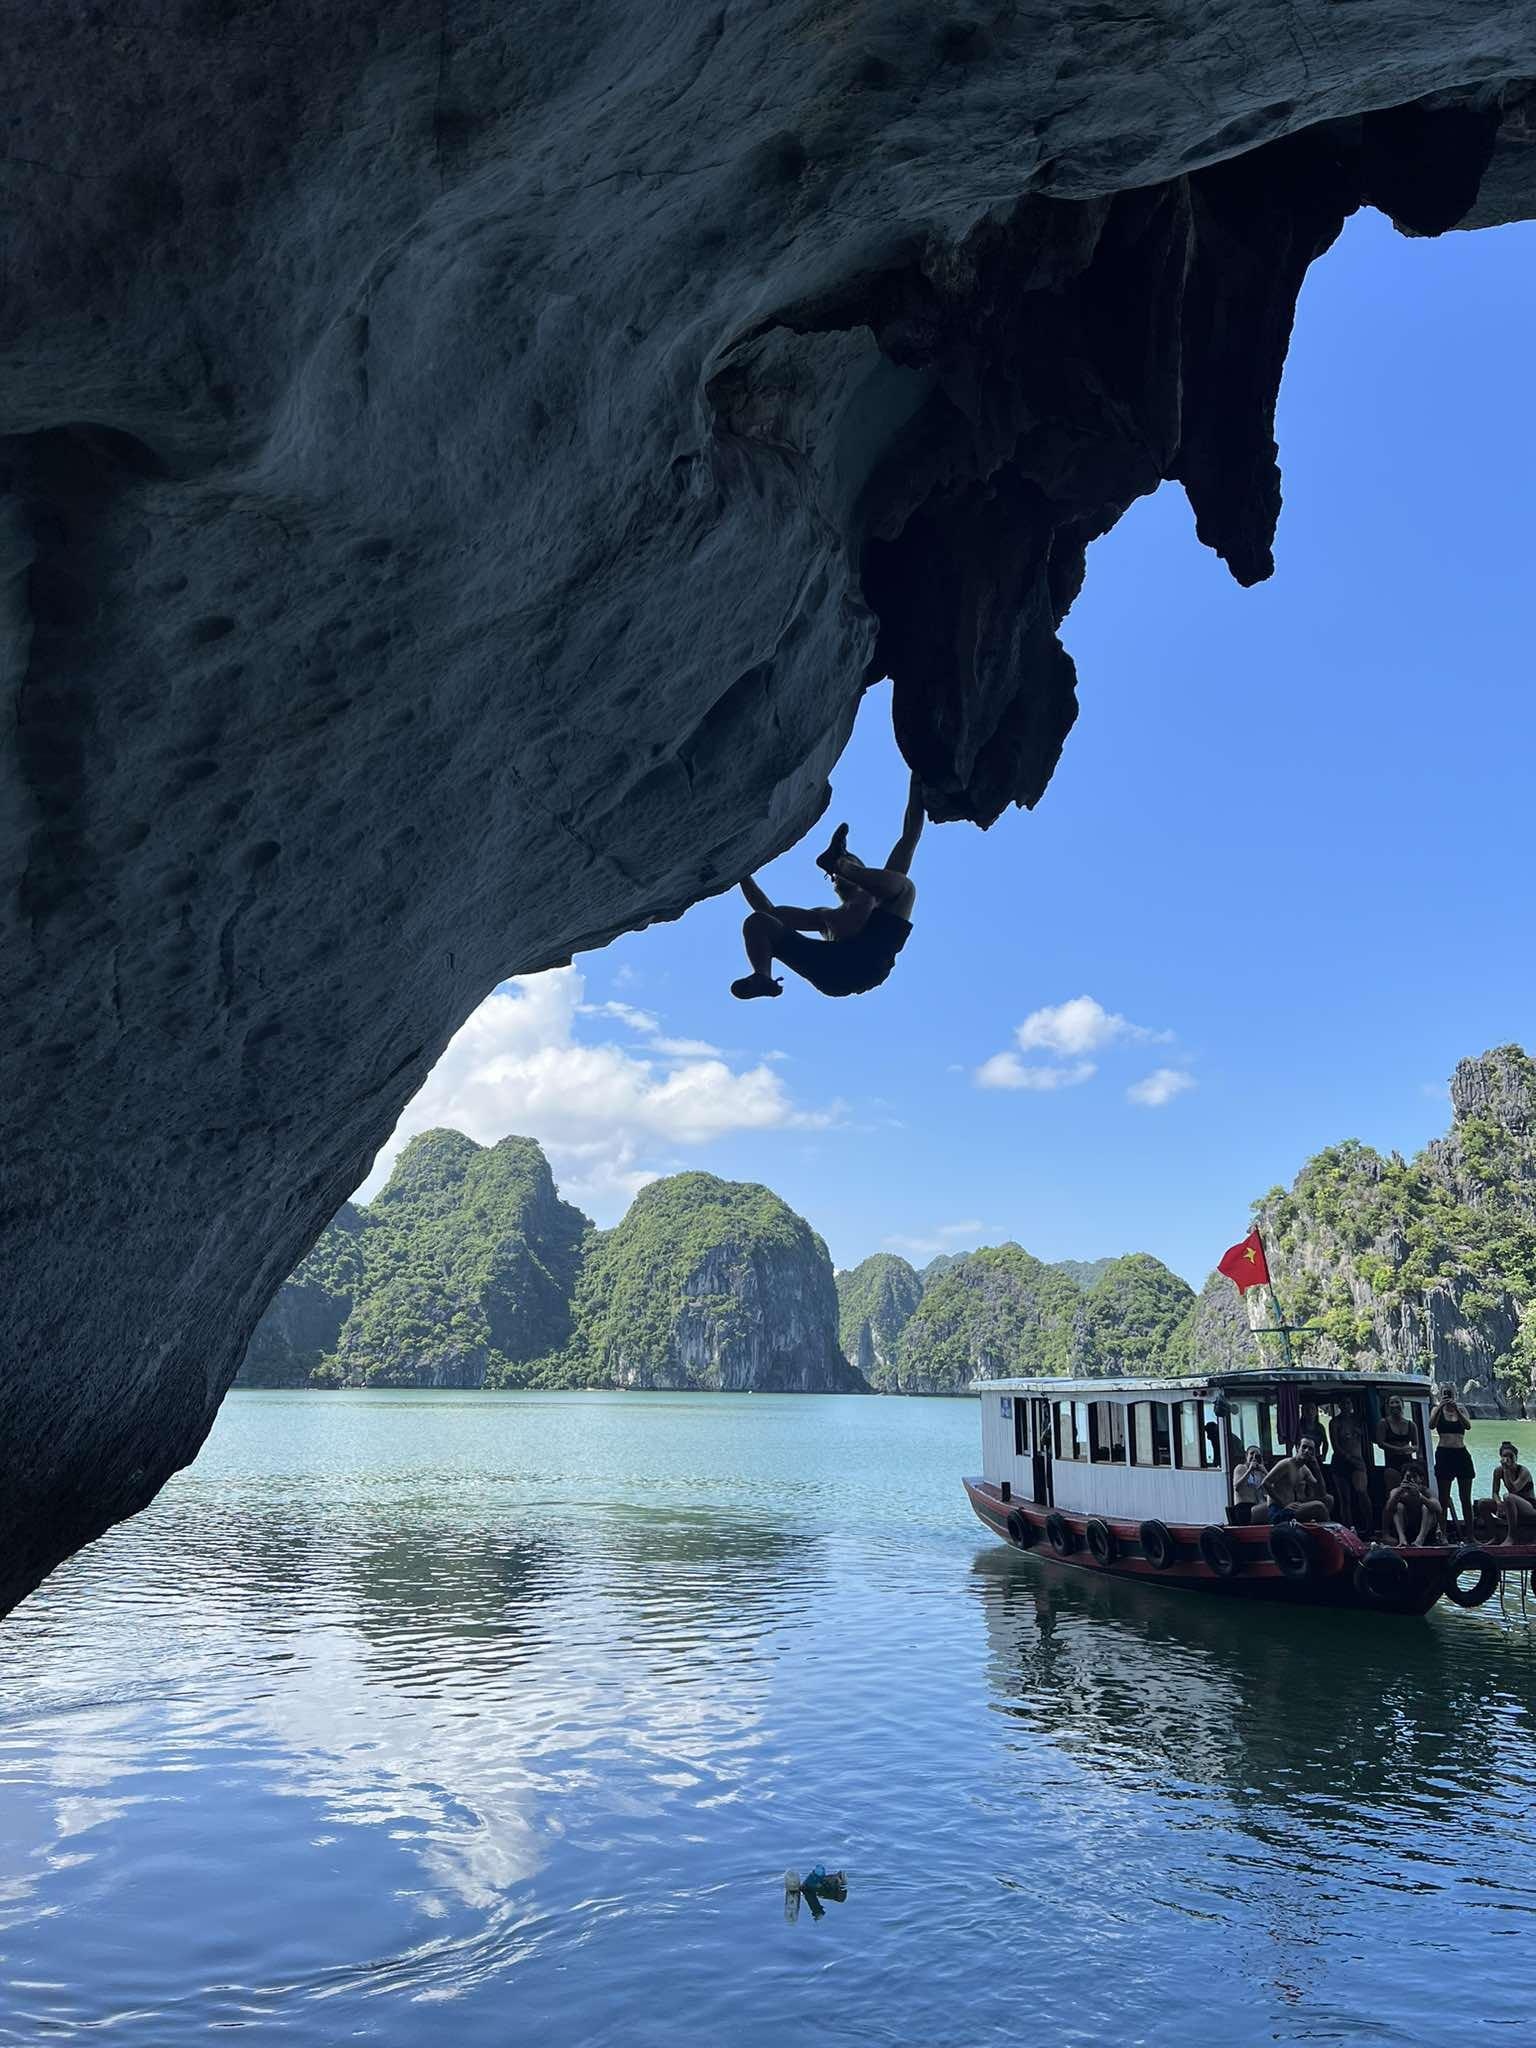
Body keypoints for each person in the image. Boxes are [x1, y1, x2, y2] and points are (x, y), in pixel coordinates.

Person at [731, 772, 923, 1001]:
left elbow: (909, 836)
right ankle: (762, 976)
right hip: (830, 970)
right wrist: (741, 873)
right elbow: (768, 912)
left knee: (904, 887)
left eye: (846, 863)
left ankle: (839, 862)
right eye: (833, 874)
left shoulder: (878, 898)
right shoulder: (824, 918)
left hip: (869, 961)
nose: (833, 879)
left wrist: (917, 776)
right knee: (758, 922)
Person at [1429, 1384, 1476, 1533]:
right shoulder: (1436, 1410)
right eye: (1444, 1394)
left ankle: (1470, 1535)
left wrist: (1456, 1409)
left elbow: (1468, 1426)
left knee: (1465, 1499)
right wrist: (1440, 1407)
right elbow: (1431, 1425)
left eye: (1450, 1394)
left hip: (1461, 1454)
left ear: (1455, 1395)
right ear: (1440, 1395)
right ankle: (1442, 1533)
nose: (1448, 1396)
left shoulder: (1461, 1409)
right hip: (1444, 1454)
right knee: (1443, 1498)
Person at [1478, 1441, 1536, 1547]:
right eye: (1505, 1456)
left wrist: (1506, 1470)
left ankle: (1511, 1537)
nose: (1508, 1458)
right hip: (1511, 1506)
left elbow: (1513, 1489)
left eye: (1511, 1456)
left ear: (1516, 1457)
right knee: (1482, 1503)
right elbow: (1495, 1492)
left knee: (1508, 1497)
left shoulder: (1524, 1472)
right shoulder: (1498, 1471)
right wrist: (1498, 1503)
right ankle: (1494, 1536)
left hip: (1529, 1507)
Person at [1327, 1402, 1372, 1535]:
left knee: (1362, 1492)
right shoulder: (1335, 1422)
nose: (1346, 1406)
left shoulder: (1358, 1420)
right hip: (1341, 1462)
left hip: (1358, 1461)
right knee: (1344, 1499)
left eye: (1348, 1402)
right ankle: (1347, 1529)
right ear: (1339, 1405)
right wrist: (1349, 1458)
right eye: (1343, 1403)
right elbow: (1335, 1445)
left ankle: (1370, 1527)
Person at [1262, 1439, 1331, 1523]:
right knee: (1319, 1506)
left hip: (1293, 1506)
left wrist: (1316, 1468)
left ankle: (1320, 1531)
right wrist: (1284, 1504)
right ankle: (1330, 1532)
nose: (1306, 1451)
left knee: (1328, 1499)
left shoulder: (1304, 1469)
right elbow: (1265, 1483)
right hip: (1279, 1510)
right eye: (1304, 1447)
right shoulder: (1286, 1464)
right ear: (1298, 1448)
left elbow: (1322, 1493)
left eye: (1310, 1449)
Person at [1383, 1464, 1447, 1547]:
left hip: (1425, 1530)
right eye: (1408, 1477)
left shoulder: (1426, 1491)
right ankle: (1402, 1539)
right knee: (1398, 1506)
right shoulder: (1397, 1491)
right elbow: (1388, 1508)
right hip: (1407, 1528)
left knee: (1427, 1508)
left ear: (1421, 1479)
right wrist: (1399, 1493)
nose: (1411, 1480)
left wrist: (1421, 1497)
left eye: (1414, 1477)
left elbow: (1438, 1508)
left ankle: (1420, 1540)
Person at [1375, 1395, 1418, 1485]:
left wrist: (1410, 1449)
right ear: (1388, 1407)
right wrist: (1398, 1449)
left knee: (1409, 1489)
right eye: (1392, 1403)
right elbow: (1380, 1443)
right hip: (1391, 1462)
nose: (1395, 1405)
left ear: (1402, 1405)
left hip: (1408, 1463)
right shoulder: (1383, 1423)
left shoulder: (1411, 1425)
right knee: (1392, 1491)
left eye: (1397, 1402)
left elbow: (1416, 1446)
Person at [1232, 1445, 1269, 1521]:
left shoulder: (1259, 1473)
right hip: (1244, 1507)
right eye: (1252, 1453)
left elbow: (1271, 1488)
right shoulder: (1241, 1468)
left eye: (1257, 1455)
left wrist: (1265, 1471)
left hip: (1257, 1506)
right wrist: (1249, 1471)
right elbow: (1237, 1488)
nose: (1254, 1457)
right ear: (1246, 1456)